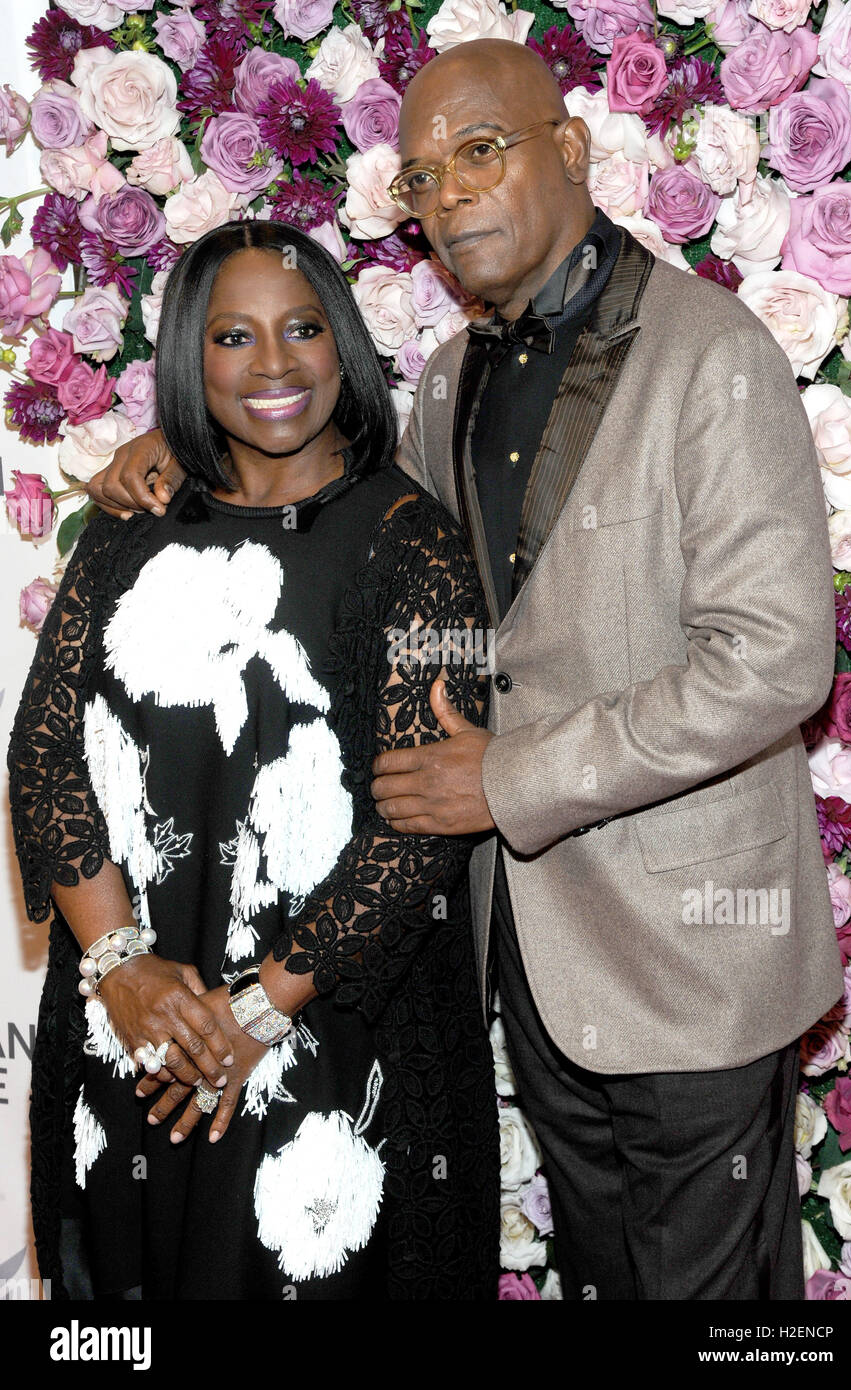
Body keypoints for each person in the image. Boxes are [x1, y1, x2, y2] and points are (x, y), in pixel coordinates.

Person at [85, 39, 843, 1301]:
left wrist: (513, 778)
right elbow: (353, 543)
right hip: (537, 955)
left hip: (697, 961)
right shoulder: (447, 379)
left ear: (571, 149)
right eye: (421, 177)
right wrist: (171, 454)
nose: (447, 197)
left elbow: (772, 660)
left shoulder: (712, 356)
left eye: (478, 153)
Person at [8, 218, 500, 1301]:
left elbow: (421, 825)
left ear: (345, 346)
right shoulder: (128, 531)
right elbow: (43, 754)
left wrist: (260, 1008)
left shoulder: (417, 546)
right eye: (233, 336)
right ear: (190, 355)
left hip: (329, 1031)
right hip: (131, 1028)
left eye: (302, 329)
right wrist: (117, 967)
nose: (273, 365)